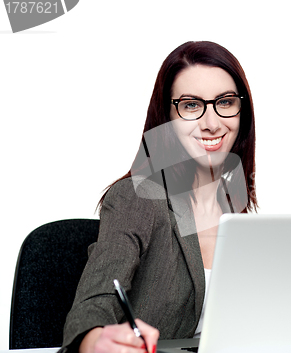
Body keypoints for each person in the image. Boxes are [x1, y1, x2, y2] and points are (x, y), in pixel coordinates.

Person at [60, 41, 257, 353]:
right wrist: (95, 341)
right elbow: (94, 303)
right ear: (167, 117)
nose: (212, 123)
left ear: (241, 110)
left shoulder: (237, 211)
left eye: (226, 102)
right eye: (191, 105)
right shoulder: (137, 197)